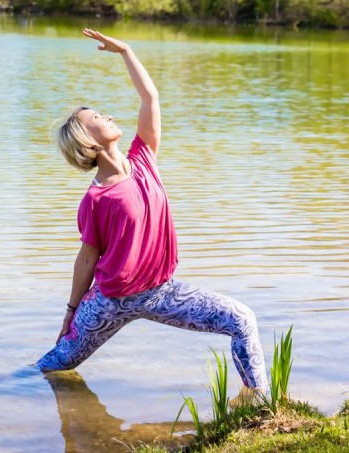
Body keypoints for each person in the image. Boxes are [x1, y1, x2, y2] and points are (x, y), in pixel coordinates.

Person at [36, 29, 269, 399]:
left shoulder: (143, 159)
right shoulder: (95, 198)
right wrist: (71, 311)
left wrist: (126, 51)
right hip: (110, 302)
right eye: (97, 116)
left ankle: (261, 406)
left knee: (242, 320)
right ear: (89, 140)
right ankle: (21, 403)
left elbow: (150, 96)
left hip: (162, 293)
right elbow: (86, 260)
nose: (108, 114)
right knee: (54, 363)